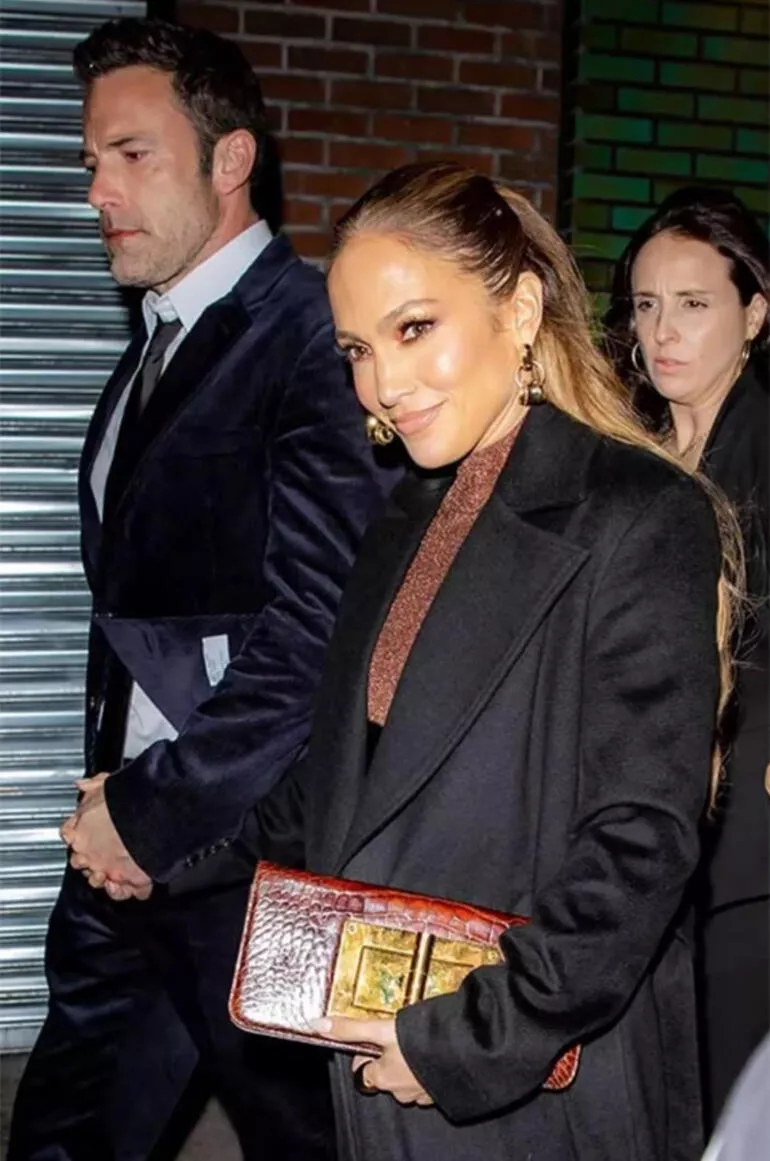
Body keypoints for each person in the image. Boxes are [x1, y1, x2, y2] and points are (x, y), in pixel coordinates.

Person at [221, 161, 740, 1160]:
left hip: (530, 1081)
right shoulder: (407, 516)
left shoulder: (638, 513)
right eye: (358, 349)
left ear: (520, 310)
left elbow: (639, 843)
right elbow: (344, 777)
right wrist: (163, 838)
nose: (382, 383)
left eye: (414, 329)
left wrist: (471, 1039)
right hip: (382, 1039)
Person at [8, 18, 399, 1161]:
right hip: (126, 855)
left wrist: (153, 813)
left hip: (246, 866)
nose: (98, 192)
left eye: (133, 156)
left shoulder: (311, 338)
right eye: (92, 162)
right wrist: (116, 810)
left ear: (231, 160)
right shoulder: (154, 343)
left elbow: (317, 638)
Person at [605, 186, 769, 1130]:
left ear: (755, 313)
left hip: (744, 839)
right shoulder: (627, 448)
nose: (663, 331)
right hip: (637, 818)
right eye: (647, 303)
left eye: (695, 303)